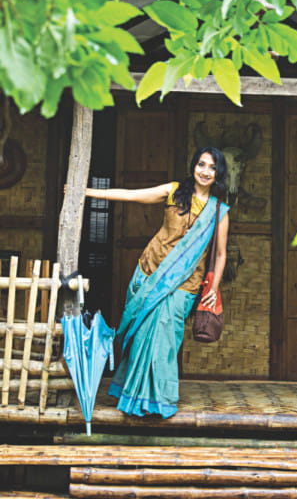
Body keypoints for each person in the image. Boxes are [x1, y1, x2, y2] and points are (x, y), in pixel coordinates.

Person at [85, 147, 230, 418]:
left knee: (165, 337)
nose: (205, 171)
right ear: (193, 166)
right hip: (150, 271)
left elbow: (221, 253)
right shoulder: (174, 192)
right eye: (201, 164)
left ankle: (160, 399)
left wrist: (212, 287)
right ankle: (133, 395)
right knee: (141, 334)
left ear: (218, 173)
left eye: (212, 167)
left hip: (185, 284)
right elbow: (131, 195)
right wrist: (88, 192)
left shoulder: (218, 210)